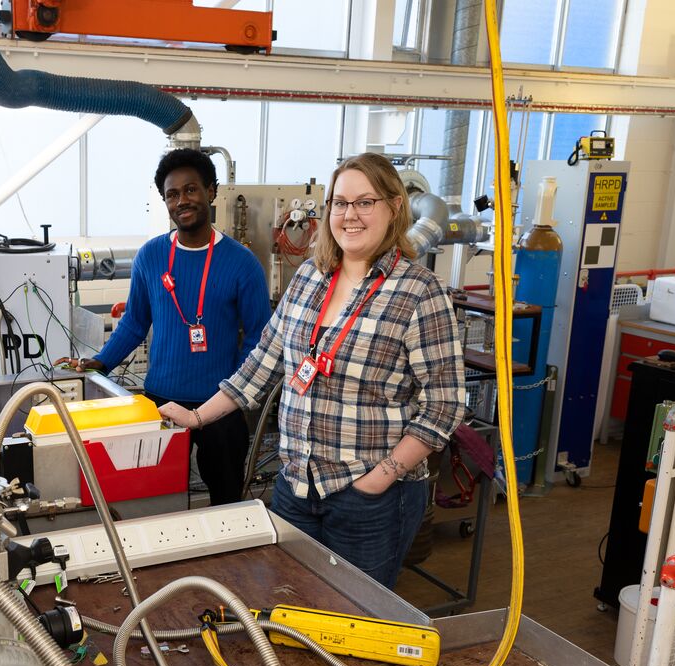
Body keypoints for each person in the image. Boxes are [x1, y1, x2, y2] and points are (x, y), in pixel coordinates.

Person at [159, 152, 466, 589]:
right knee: (291, 604)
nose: (350, 215)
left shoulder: (419, 291)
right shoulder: (310, 278)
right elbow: (261, 364)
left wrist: (381, 477)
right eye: (340, 203)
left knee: (355, 616)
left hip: (369, 497)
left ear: (395, 207)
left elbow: (445, 405)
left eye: (365, 202)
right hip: (296, 487)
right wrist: (196, 417)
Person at [56, 149, 272, 505]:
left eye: (191, 190)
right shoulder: (151, 255)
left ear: (211, 192)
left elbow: (258, 340)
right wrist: (102, 361)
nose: (182, 201)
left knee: (225, 498)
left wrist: (234, 392)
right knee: (151, 496)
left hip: (219, 403)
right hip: (159, 400)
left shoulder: (241, 264)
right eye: (172, 194)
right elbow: (135, 322)